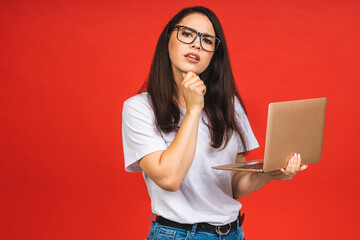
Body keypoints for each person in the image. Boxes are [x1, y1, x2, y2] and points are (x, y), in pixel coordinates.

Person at [122, 6, 307, 240]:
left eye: (207, 40)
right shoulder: (139, 108)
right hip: (178, 235)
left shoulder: (230, 105)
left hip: (232, 233)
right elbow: (169, 179)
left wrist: (268, 174)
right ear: (167, 39)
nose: (197, 45)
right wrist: (194, 109)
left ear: (213, 55)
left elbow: (234, 185)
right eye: (187, 34)